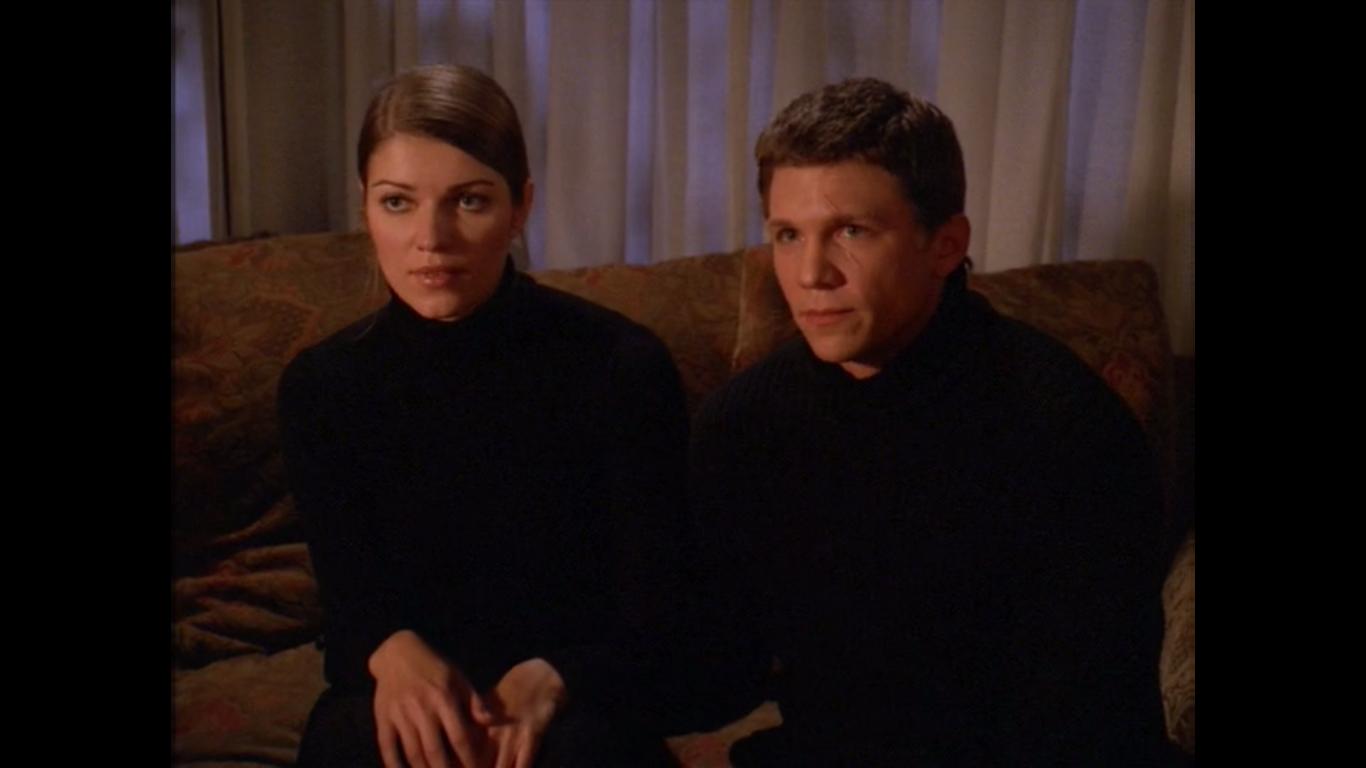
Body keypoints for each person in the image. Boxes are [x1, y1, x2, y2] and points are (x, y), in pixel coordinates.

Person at [685, 78, 1174, 765]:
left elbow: (1090, 712)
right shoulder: (744, 422)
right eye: (788, 235)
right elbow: (712, 662)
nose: (812, 273)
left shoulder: (1060, 423)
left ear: (945, 245)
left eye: (851, 231)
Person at [278, 64, 686, 768]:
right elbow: (351, 607)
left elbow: (659, 615)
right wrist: (389, 650)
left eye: (469, 201)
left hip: (580, 698)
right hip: (404, 699)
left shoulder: (621, 366)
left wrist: (558, 676)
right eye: (398, 202)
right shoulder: (322, 386)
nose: (431, 238)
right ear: (364, 207)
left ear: (521, 206)